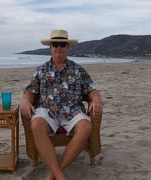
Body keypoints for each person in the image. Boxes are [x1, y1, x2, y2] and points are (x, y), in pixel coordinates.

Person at [20, 29, 103, 180]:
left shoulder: (78, 70)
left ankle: (54, 174)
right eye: (55, 44)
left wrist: (96, 98)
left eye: (62, 44)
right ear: (50, 47)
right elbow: (29, 92)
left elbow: (92, 90)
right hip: (47, 110)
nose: (58, 47)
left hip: (72, 110)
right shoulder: (41, 70)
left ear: (67, 47)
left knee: (86, 127)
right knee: (36, 124)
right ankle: (60, 176)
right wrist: (25, 101)